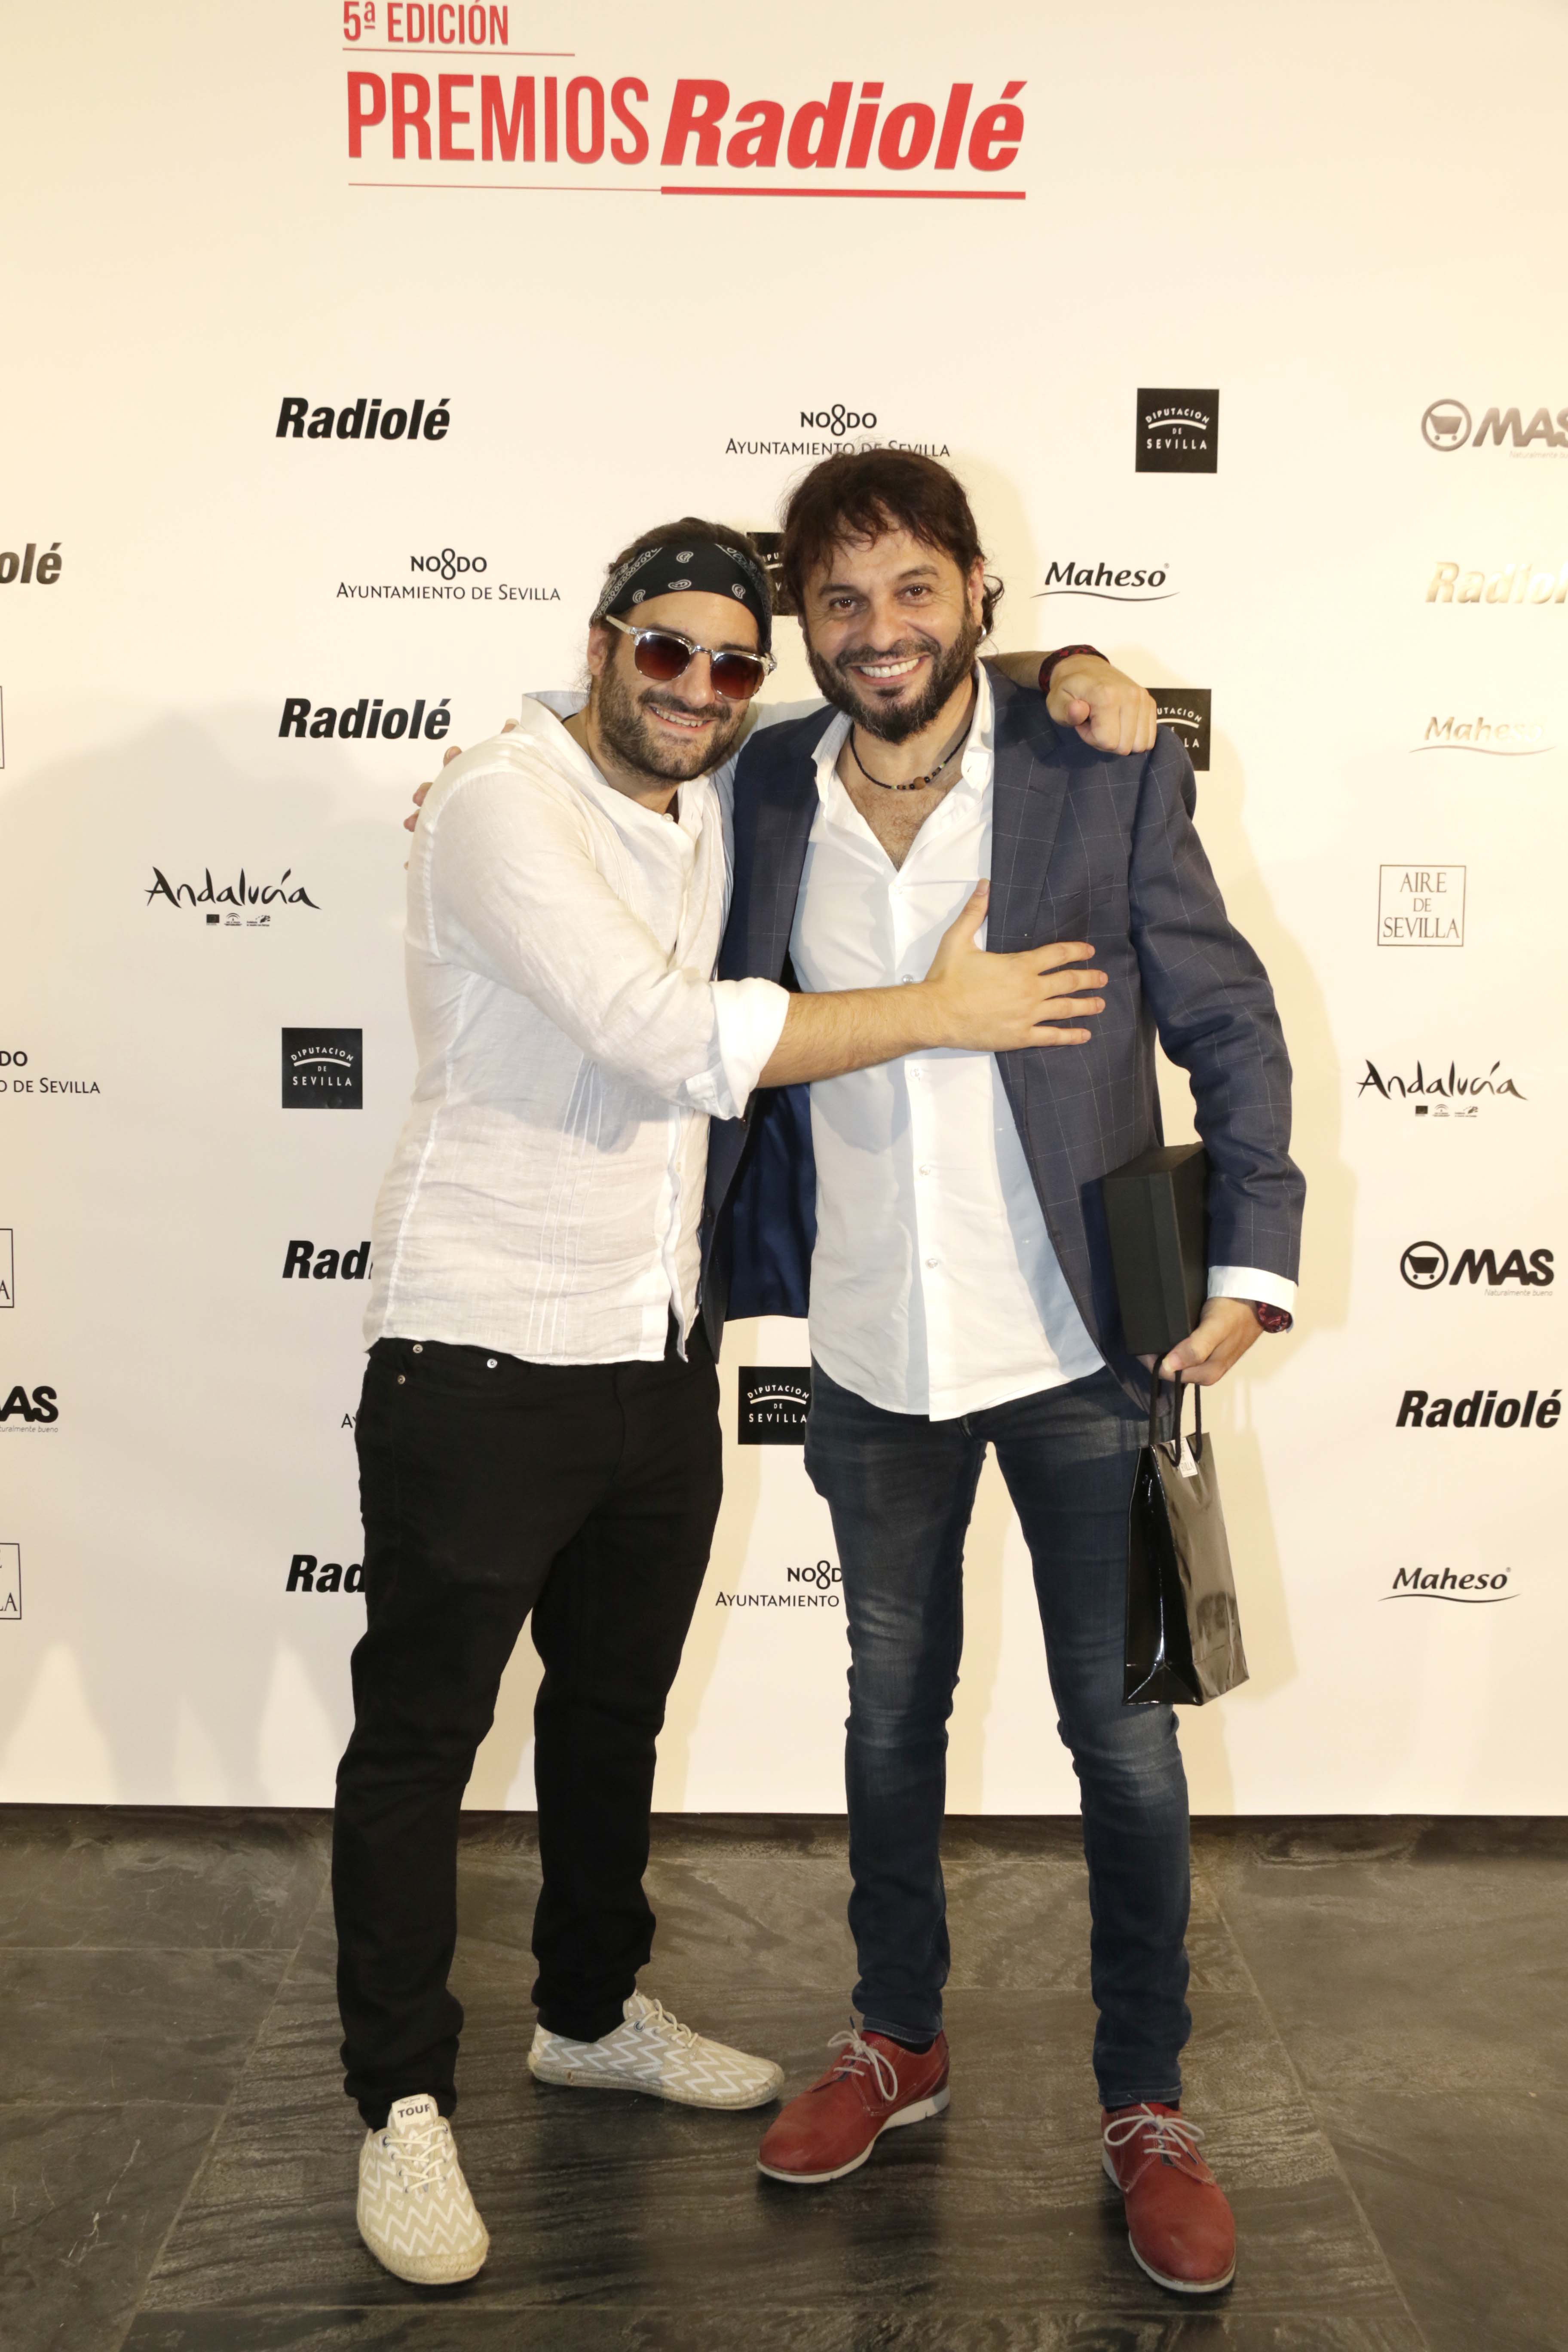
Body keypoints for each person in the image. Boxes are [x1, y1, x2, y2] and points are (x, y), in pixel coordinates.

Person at [342, 516, 1148, 2286]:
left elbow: (901, 681)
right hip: (478, 1350)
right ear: (598, 645)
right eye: (664, 652)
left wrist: (1067, 669)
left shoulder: (721, 786)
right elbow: (664, 1033)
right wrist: (939, 1009)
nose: (698, 689)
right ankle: (398, 2102)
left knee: (612, 1715)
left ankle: (586, 2011)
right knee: (421, 1742)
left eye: (729, 663)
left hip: (654, 1346)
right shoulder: (501, 803)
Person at [701, 451, 1304, 2298]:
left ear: (978, 589)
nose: (877, 630)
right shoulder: (761, 787)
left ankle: (1148, 2103)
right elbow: (617, 777)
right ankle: (899, 2037)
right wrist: (478, 789)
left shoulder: (1095, 765)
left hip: (1078, 1341)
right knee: (889, 1711)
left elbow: (1228, 1018)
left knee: (1122, 1738)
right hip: (871, 1345)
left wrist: (1251, 1260)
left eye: (914, 588)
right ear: (804, 622)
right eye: (840, 599)